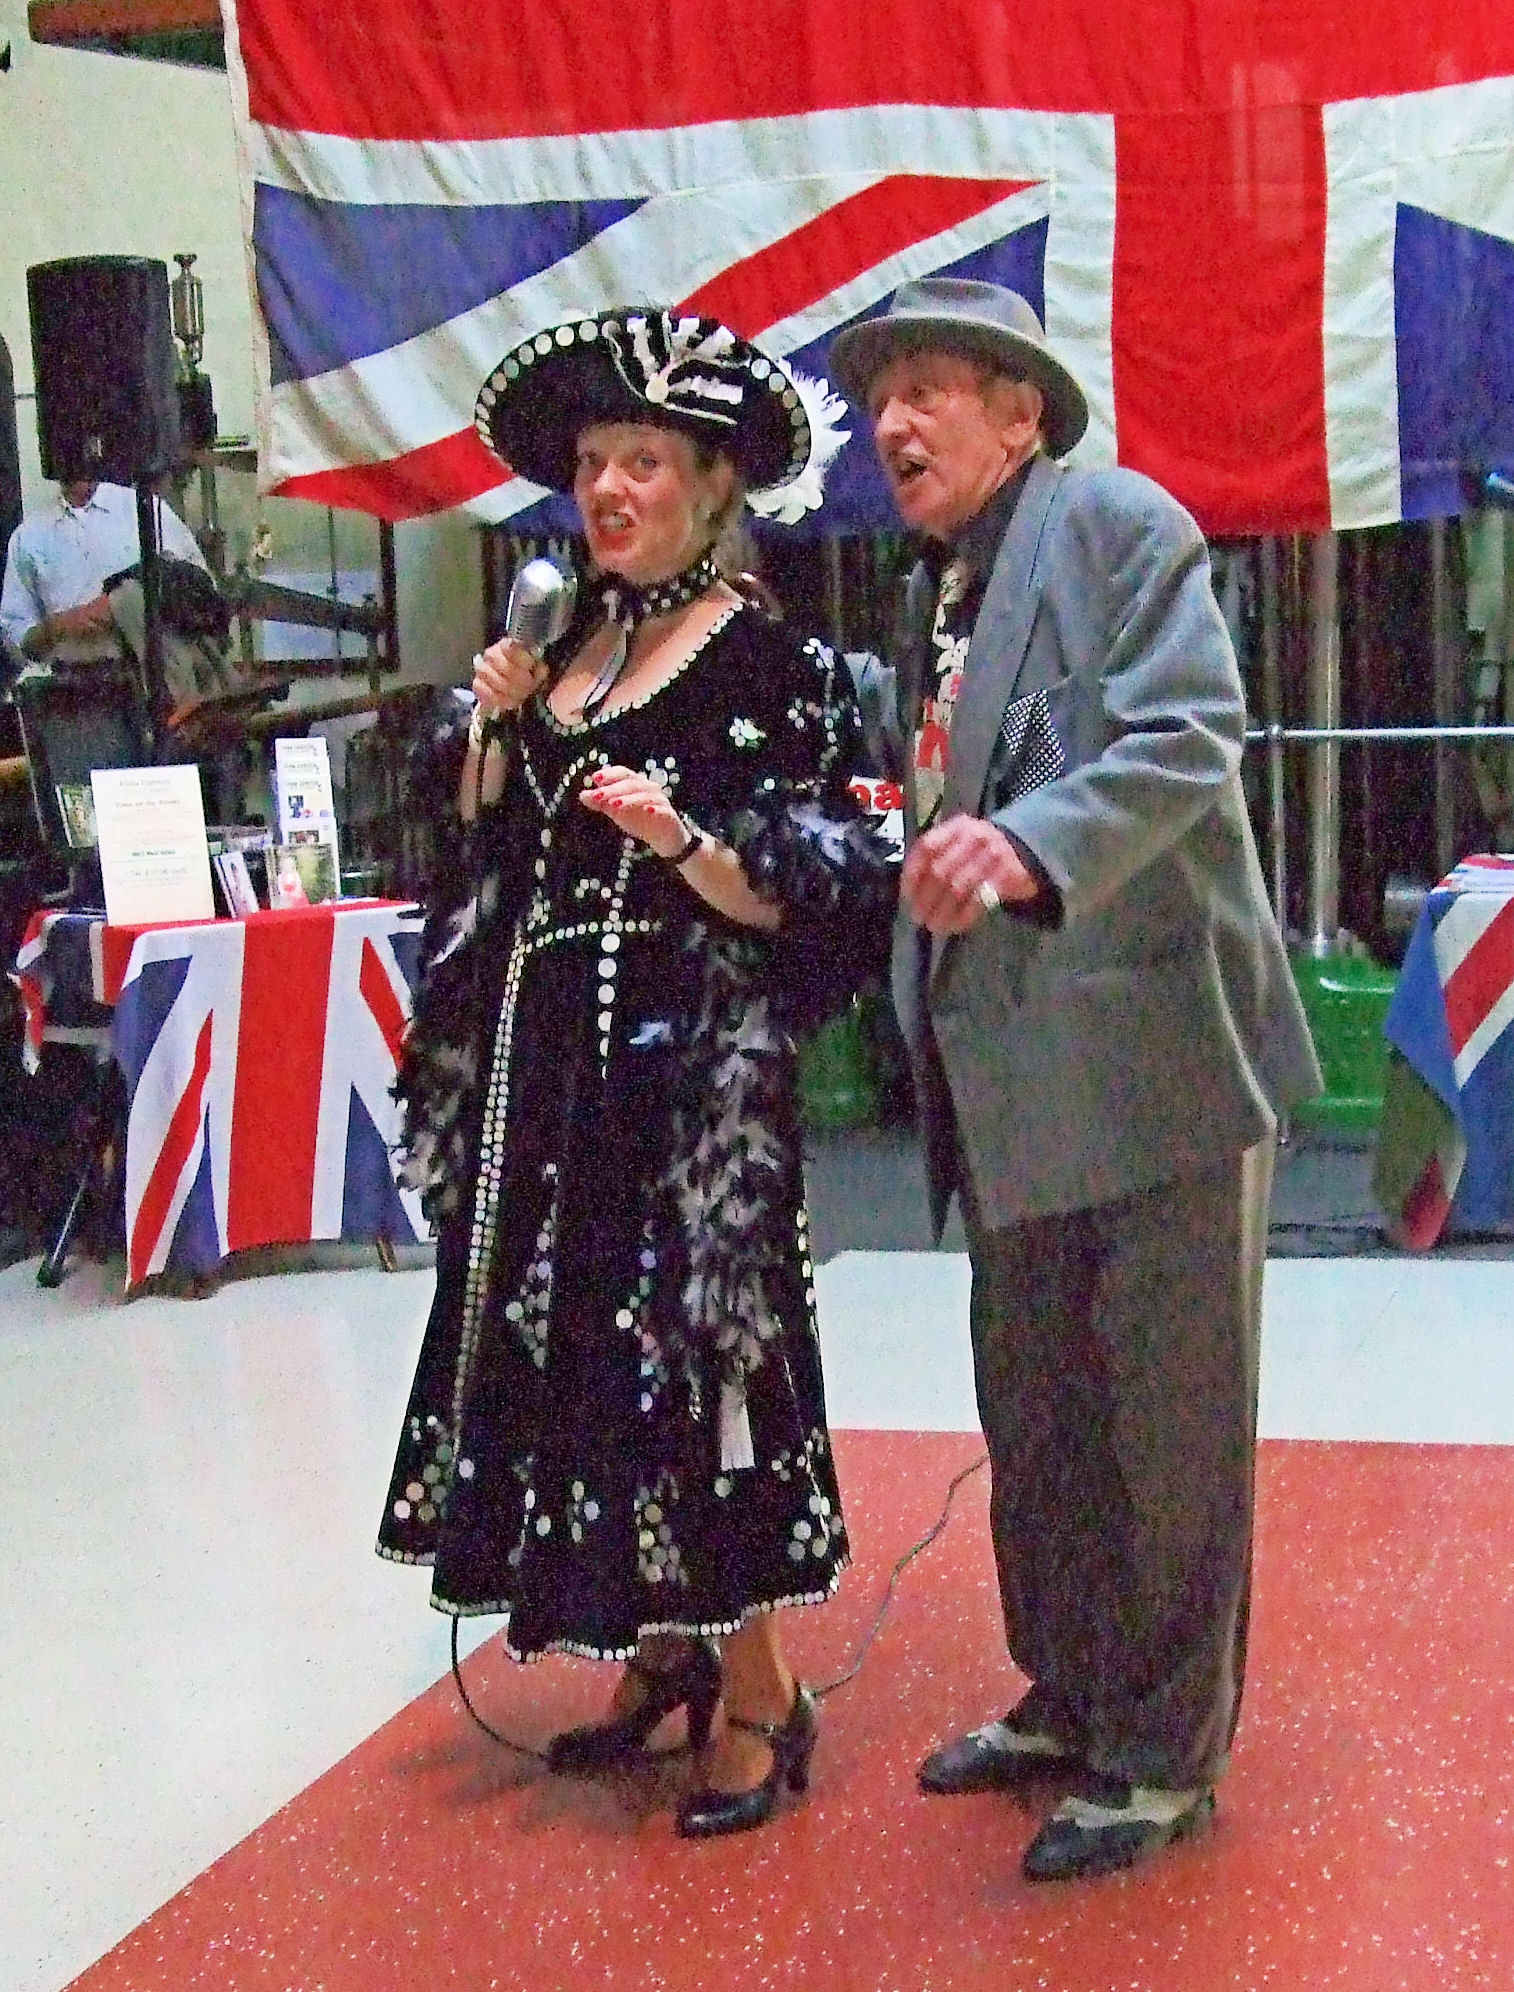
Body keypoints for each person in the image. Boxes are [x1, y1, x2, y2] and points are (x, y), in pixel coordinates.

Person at [829, 278, 1322, 1881]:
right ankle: (1071, 1692)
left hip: (1155, 1062)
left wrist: (1022, 841)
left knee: (1165, 1426)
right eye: (876, 399)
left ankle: (1164, 1755)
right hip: (1017, 1083)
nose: (888, 425)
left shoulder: (1115, 522)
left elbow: (1189, 735)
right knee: (1036, 1415)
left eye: (925, 391)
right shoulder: (943, 588)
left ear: (1019, 412)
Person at [378, 307, 891, 1839]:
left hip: (692, 1099)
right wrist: (488, 732)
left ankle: (761, 1687)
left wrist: (676, 837)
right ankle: (662, 1648)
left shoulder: (773, 665)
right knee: (584, 1370)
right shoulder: (565, 656)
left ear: (712, 485)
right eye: (594, 464)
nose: (608, 490)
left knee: (696, 1371)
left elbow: (815, 891)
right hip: (552, 1088)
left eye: (643, 463)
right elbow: (489, 862)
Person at [0, 476, 206, 670]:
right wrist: (55, 628)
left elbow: (201, 589)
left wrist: (124, 603)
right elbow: (15, 636)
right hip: (75, 687)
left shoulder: (142, 508)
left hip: (154, 676)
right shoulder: (28, 537)